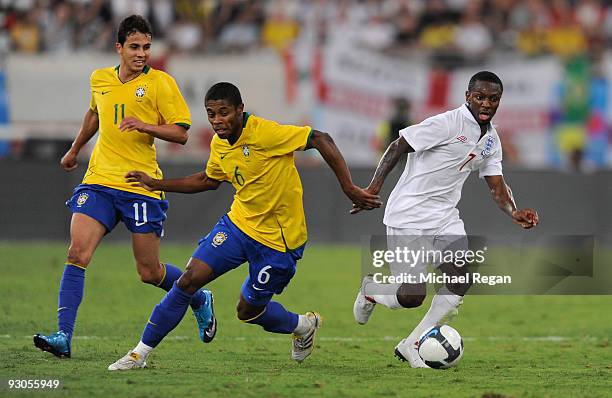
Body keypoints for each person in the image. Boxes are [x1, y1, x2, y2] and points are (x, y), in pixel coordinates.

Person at [106, 82, 382, 370]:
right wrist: (156, 183)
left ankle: (302, 326)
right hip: (238, 226)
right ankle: (138, 354)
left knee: (248, 311)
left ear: (240, 110)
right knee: (188, 280)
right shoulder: (219, 144)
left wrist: (349, 187)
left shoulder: (265, 133)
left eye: (223, 112)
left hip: (279, 241)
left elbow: (321, 138)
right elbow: (208, 180)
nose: (217, 121)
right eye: (211, 114)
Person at [33, 15, 215, 359]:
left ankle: (198, 296)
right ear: (119, 48)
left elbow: (180, 132)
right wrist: (74, 149)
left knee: (149, 272)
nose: (142, 53)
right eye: (134, 47)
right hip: (100, 180)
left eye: (147, 47)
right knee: (77, 253)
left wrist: (145, 124)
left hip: (140, 185)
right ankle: (63, 336)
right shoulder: (100, 79)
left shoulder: (160, 83)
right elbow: (94, 115)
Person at [351, 71, 539, 368]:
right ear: (467, 96)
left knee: (461, 277)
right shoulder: (446, 123)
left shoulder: (491, 139)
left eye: (493, 99)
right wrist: (373, 187)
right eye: (480, 97)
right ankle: (371, 290)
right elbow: (398, 145)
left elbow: (496, 185)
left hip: (445, 217)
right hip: (408, 216)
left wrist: (513, 211)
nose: (486, 104)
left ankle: (412, 344)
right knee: (411, 296)